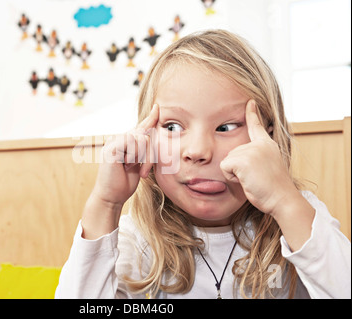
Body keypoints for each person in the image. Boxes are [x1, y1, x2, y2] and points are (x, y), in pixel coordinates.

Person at [55, 30, 351, 299]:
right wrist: (105, 204)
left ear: (269, 139)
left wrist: (285, 202)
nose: (198, 151)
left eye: (225, 127)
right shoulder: (138, 238)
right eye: (172, 127)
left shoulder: (299, 216)